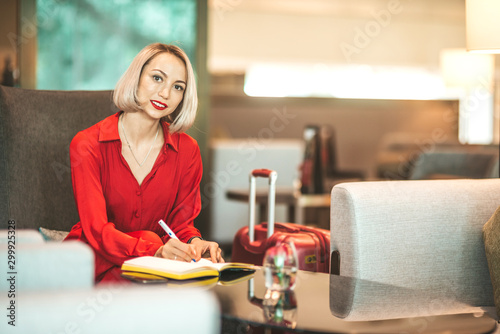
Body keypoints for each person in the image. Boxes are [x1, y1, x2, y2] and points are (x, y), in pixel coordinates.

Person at [64, 43, 224, 282]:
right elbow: (97, 232)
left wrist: (195, 244)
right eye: (157, 78)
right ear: (136, 77)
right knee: (150, 244)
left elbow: (181, 226)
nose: (165, 94)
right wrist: (154, 250)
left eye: (177, 87)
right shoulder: (87, 144)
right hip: (93, 260)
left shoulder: (187, 151)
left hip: (155, 269)